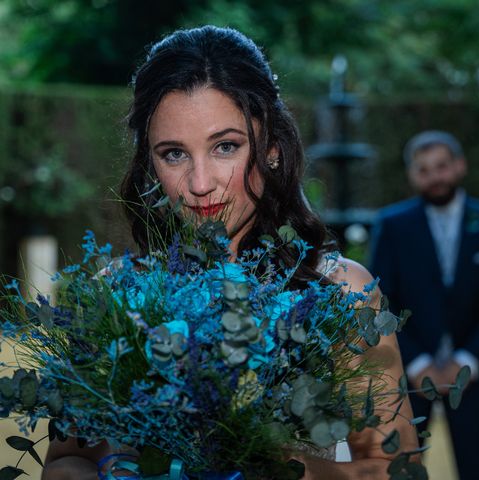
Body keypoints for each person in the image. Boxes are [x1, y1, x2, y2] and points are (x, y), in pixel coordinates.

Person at [42, 26, 418, 480]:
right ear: (149, 163)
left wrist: (272, 466)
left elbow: (394, 467)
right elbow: (67, 460)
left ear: (273, 148)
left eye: (225, 147)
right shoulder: (112, 298)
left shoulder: (341, 293)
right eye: (174, 154)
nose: (200, 184)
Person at [369, 131, 479, 480]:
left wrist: (468, 359)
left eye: (441, 166)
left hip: (474, 372)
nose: (434, 177)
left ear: (459, 166)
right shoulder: (392, 225)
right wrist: (417, 362)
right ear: (412, 175)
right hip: (409, 373)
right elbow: (380, 298)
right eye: (423, 170)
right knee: (401, 469)